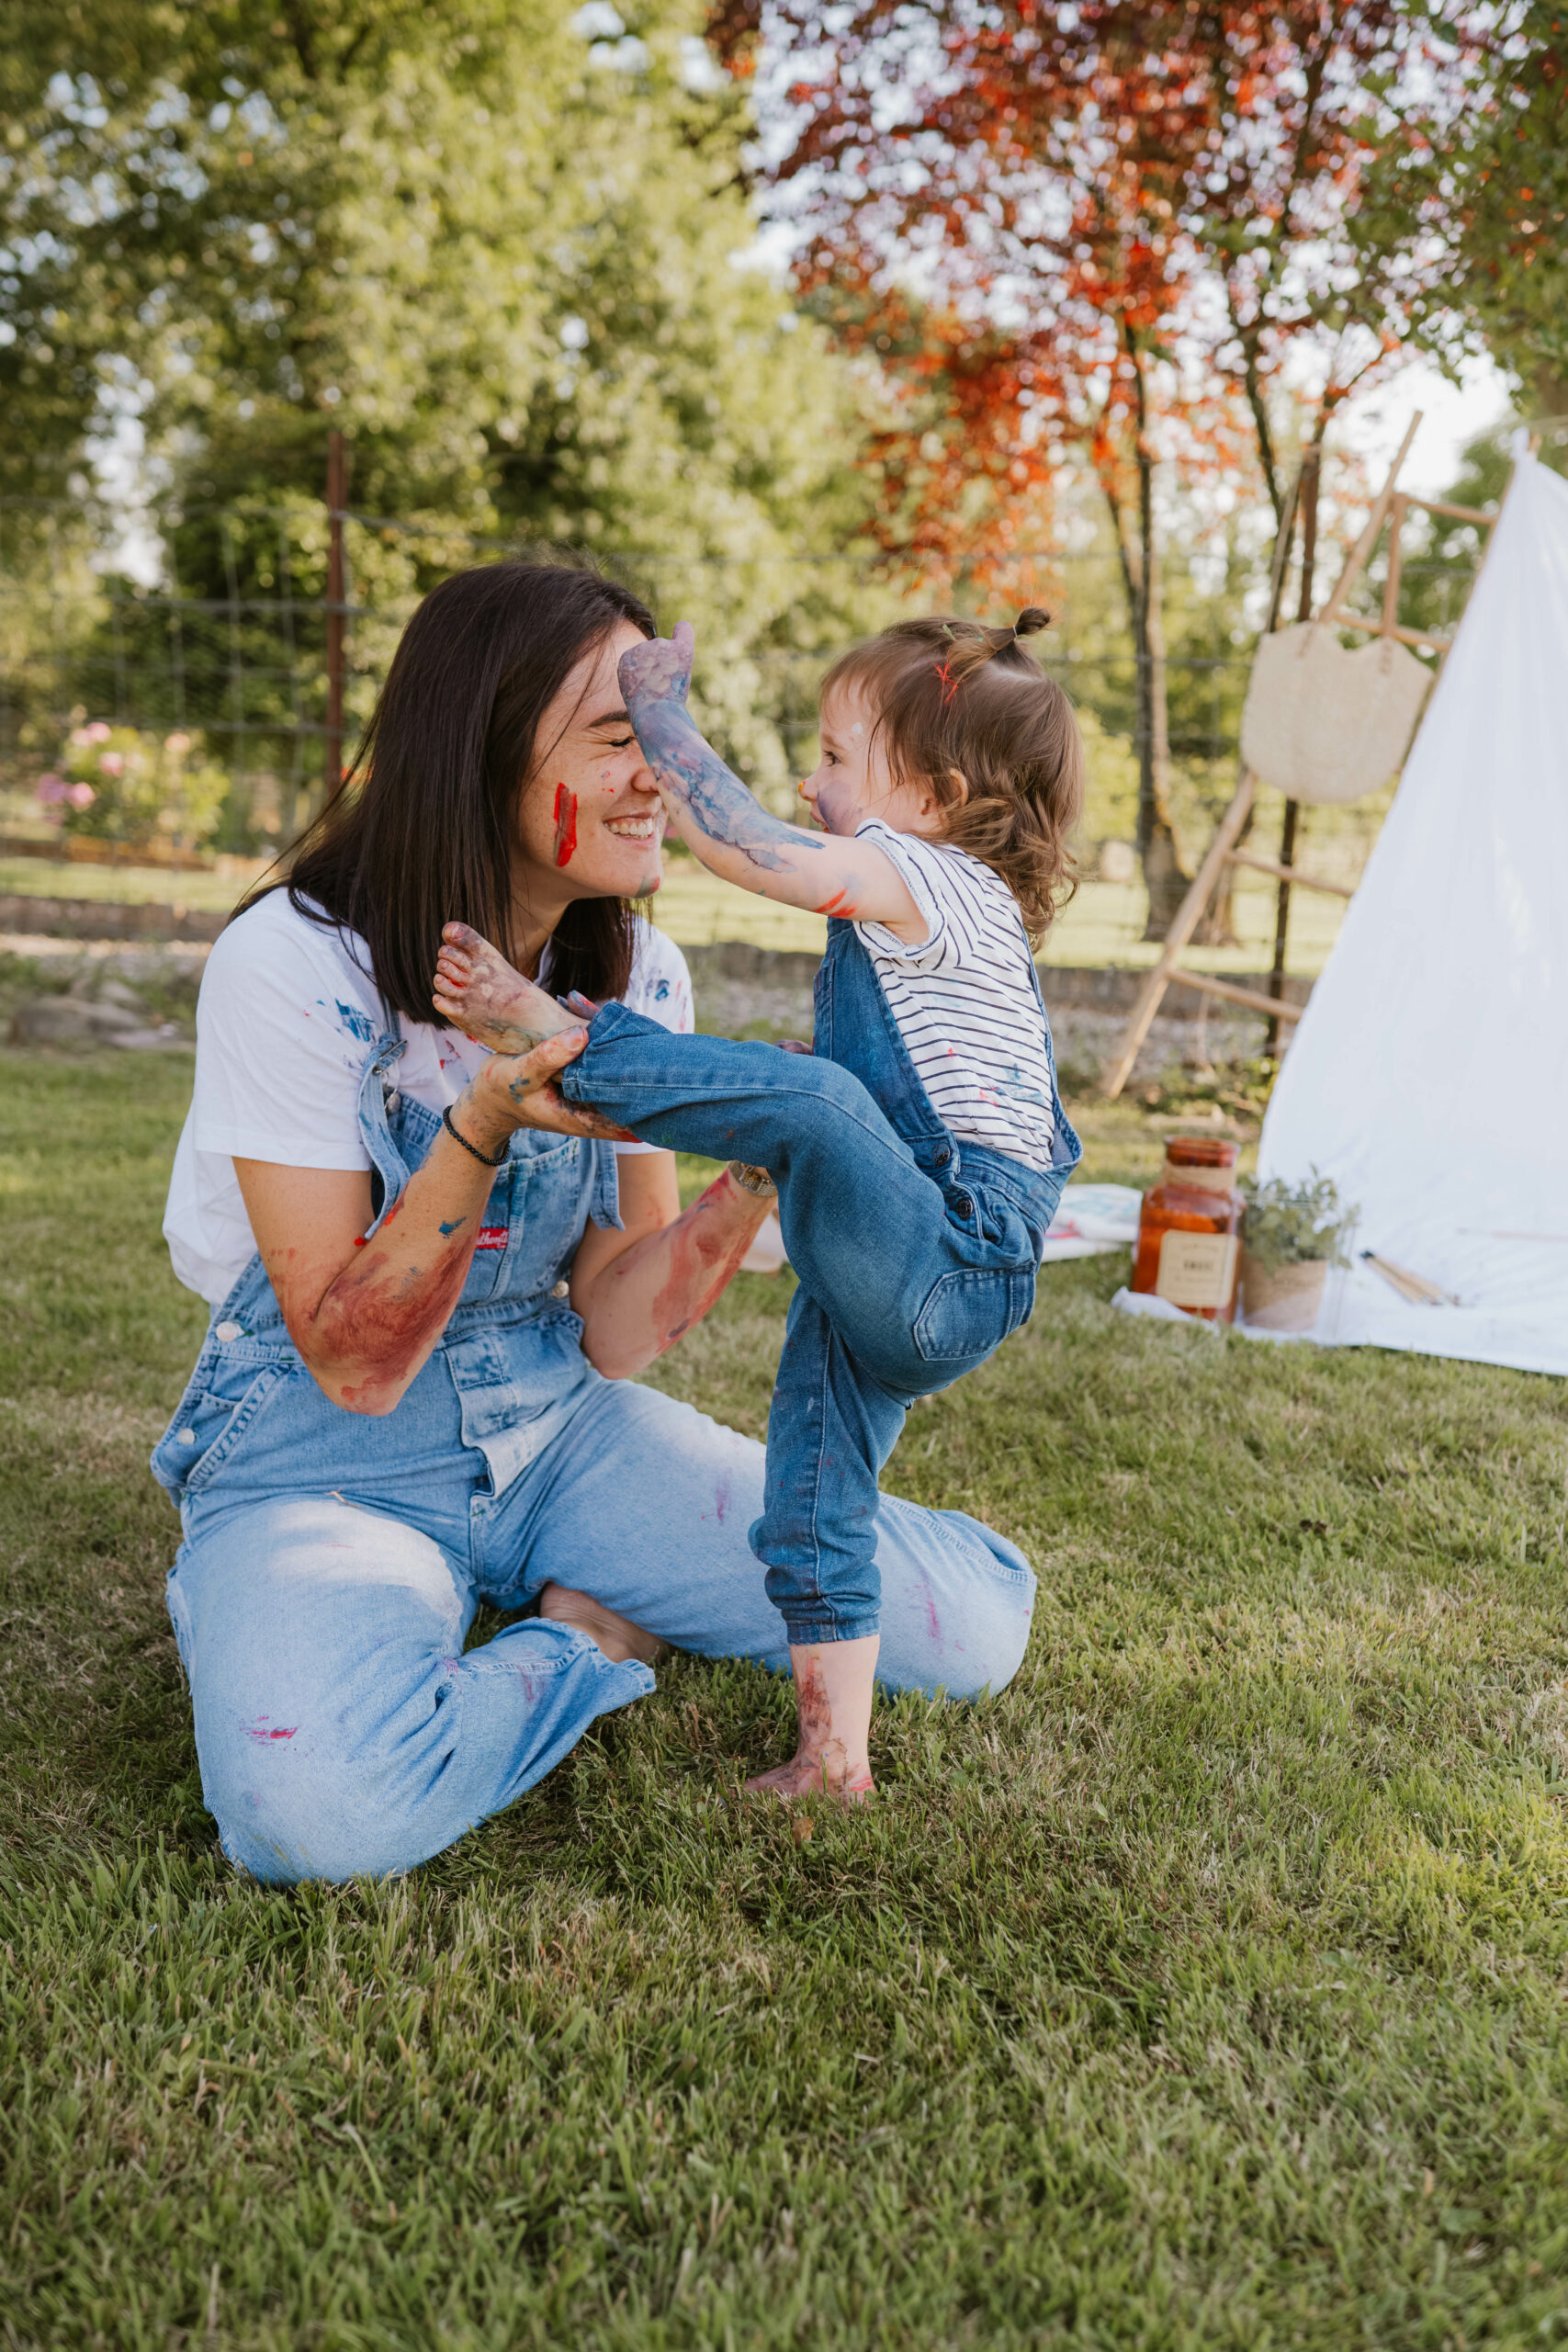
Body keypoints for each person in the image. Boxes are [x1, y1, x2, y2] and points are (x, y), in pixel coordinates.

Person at [151, 562, 1043, 1884]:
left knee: (970, 1630)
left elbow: (619, 1330)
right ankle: (588, 1637)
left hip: (560, 1430)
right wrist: (480, 1123)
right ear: (483, 752)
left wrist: (758, 1168)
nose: (661, 779)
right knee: (316, 1816)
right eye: (622, 737)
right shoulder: (294, 959)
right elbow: (352, 1362)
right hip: (324, 1457)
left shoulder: (642, 976)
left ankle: (579, 1581)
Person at [429, 609, 1083, 1804]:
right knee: (814, 1495)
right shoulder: (928, 906)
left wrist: (658, 710)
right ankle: (833, 1760)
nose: (809, 783)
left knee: (817, 1098)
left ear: (933, 798)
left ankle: (568, 1041)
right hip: (901, 1246)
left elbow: (746, 846)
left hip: (953, 1248)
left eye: (835, 758)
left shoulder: (931, 876)